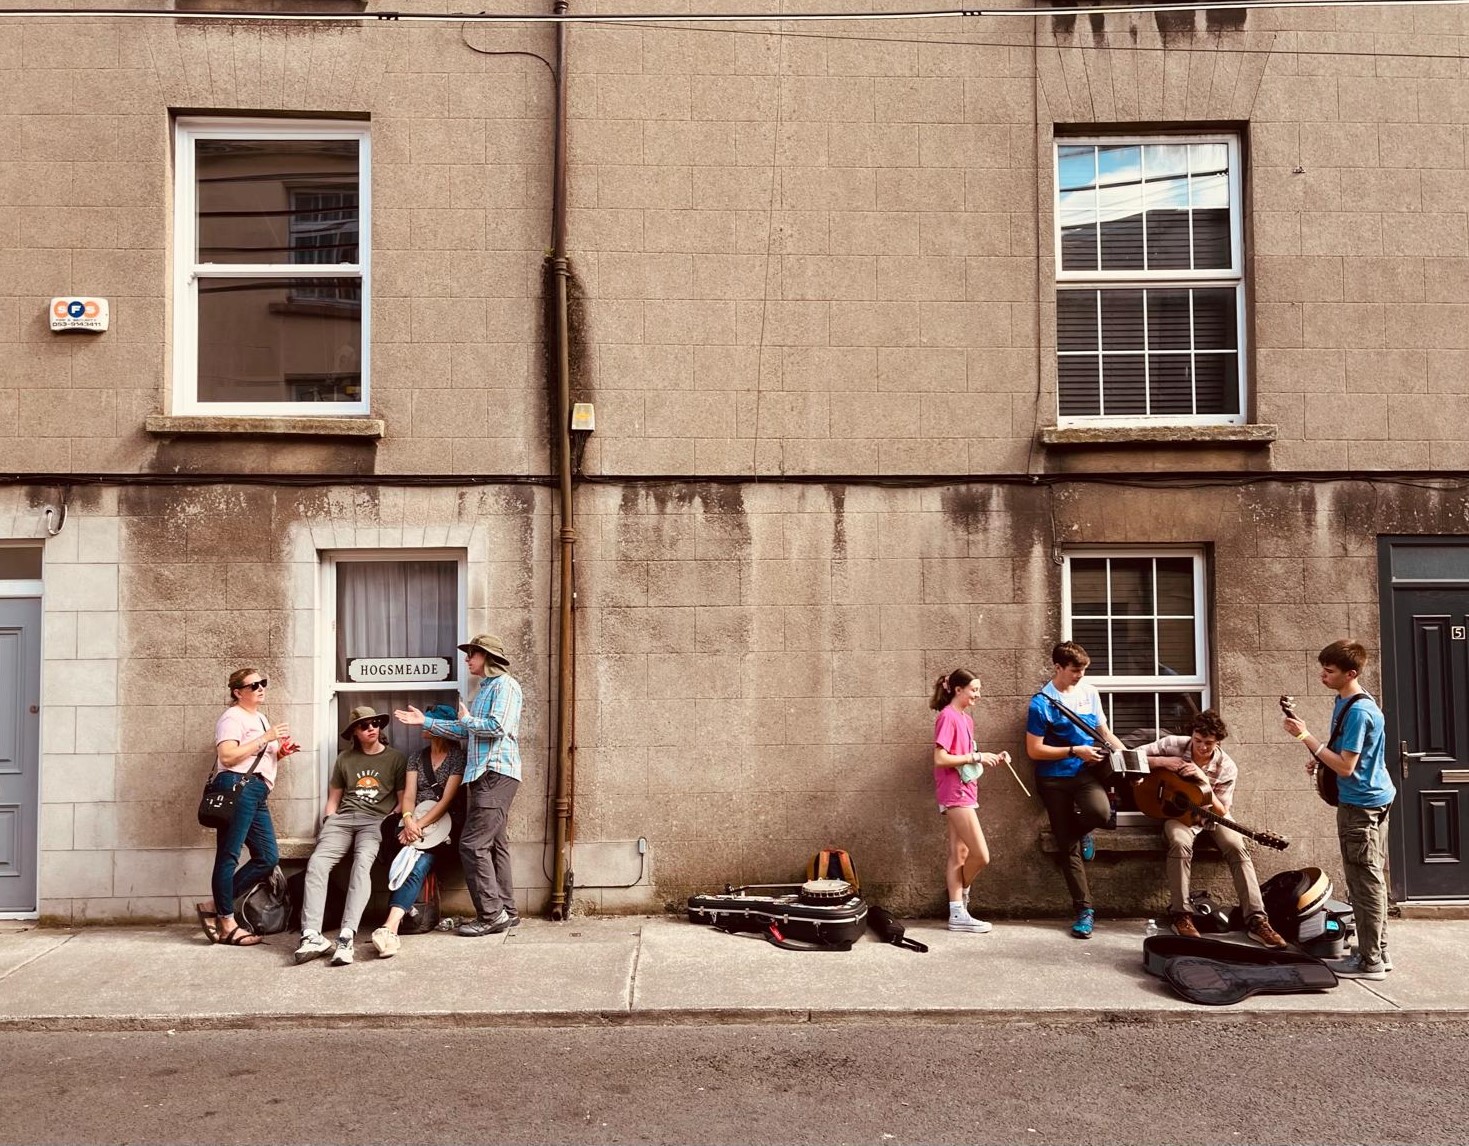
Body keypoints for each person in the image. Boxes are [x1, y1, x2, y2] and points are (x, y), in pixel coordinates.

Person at [1282, 639, 1395, 980]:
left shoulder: (1360, 711)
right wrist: (1319, 760)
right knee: (1369, 877)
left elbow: (1346, 767)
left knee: (1364, 882)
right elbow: (1343, 757)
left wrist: (1306, 737)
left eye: (1329, 671)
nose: (1322, 676)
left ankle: (1371, 962)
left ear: (1351, 673)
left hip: (1361, 806)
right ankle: (1377, 951)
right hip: (1369, 798)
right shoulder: (1348, 701)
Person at [397, 633, 523, 936]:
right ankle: (507, 910)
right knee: (494, 844)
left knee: (472, 844)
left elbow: (497, 726)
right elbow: (466, 731)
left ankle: (491, 915)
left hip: (494, 773)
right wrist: (425, 723)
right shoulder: (486, 689)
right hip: (484, 775)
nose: (467, 660)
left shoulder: (506, 685)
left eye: (472, 654)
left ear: (487, 657)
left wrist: (466, 722)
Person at [1135, 710, 1288, 948]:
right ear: (1191, 735)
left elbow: (1220, 810)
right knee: (1178, 841)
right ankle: (1181, 915)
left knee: (1237, 847)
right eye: (1197, 741)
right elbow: (1130, 757)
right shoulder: (1174, 744)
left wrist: (1204, 781)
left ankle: (1257, 920)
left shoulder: (1227, 767)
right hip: (1179, 818)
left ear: (1218, 742)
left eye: (1208, 743)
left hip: (1212, 817)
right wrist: (1163, 761)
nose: (1202, 747)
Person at [1025, 641, 1127, 939]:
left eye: (1083, 670)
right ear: (1057, 667)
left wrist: (1130, 760)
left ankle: (1082, 831)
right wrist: (1074, 750)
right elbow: (1034, 750)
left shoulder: (1089, 692)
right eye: (1074, 670)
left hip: (1085, 774)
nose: (1079, 675)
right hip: (1053, 779)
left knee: (1099, 811)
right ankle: (1085, 910)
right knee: (1065, 844)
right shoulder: (1041, 703)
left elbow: (1104, 733)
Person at [294, 706, 408, 966]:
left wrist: (386, 822)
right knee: (317, 865)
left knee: (361, 865)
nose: (371, 728)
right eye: (364, 725)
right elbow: (333, 798)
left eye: (375, 723)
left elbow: (402, 802)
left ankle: (346, 937)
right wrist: (329, 821)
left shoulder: (395, 759)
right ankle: (312, 934)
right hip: (342, 821)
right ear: (354, 732)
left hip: (374, 822)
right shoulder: (345, 759)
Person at [196, 667, 298, 947]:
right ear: (237, 692)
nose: (260, 688)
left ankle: (215, 904)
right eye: (253, 685)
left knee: (267, 857)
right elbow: (227, 757)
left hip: (257, 791)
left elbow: (259, 756)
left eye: (262, 683)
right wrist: (266, 738)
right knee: (228, 855)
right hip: (238, 788)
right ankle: (227, 923)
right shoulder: (232, 717)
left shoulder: (261, 718)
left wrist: (281, 752)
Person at [371, 704, 466, 958]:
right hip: (415, 821)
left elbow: (447, 800)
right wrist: (408, 819)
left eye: (429, 721)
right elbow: (410, 794)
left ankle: (390, 926)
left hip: (443, 826)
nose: (423, 725)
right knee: (407, 855)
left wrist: (418, 827)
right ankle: (396, 921)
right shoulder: (416, 757)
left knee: (419, 860)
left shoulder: (457, 757)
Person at [930, 668, 1009, 934]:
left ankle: (957, 912)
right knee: (981, 856)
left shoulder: (965, 719)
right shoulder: (947, 717)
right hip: (955, 793)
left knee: (960, 853)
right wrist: (975, 757)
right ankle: (960, 901)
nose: (977, 694)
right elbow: (941, 759)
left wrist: (992, 757)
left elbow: (967, 756)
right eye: (974, 689)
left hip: (966, 790)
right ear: (957, 689)